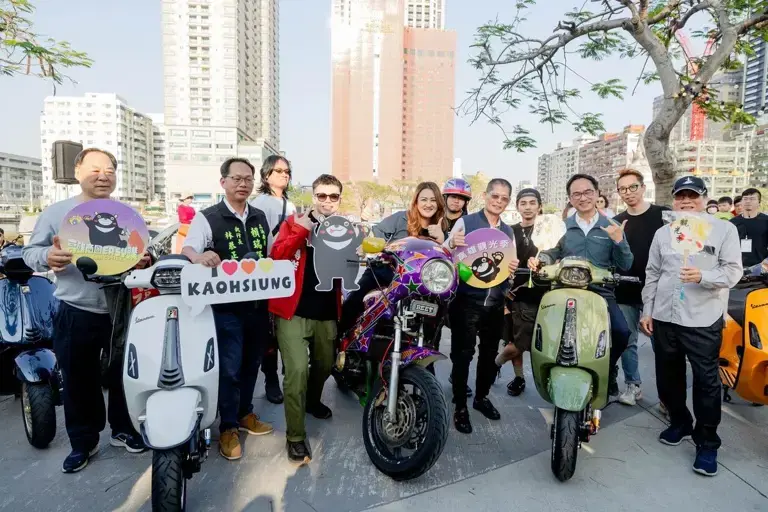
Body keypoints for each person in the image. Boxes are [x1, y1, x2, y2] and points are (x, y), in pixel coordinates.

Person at [22, 148, 148, 473]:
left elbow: (140, 254)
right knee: (78, 376)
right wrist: (47, 257)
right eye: (94, 169)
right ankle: (84, 440)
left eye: (109, 170)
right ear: (77, 172)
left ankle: (124, 429)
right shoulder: (57, 213)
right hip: (75, 307)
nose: (103, 175)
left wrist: (143, 260)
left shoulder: (127, 215)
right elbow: (30, 252)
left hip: (120, 307)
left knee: (124, 372)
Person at [640, 176, 742, 477]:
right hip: (664, 317)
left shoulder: (724, 229)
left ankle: (707, 442)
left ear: (704, 198)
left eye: (693, 197)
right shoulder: (663, 233)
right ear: (674, 201)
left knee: (706, 381)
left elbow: (733, 270)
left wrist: (703, 277)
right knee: (667, 377)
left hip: (702, 317)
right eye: (680, 197)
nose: (686, 202)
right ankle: (680, 421)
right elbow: (653, 273)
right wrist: (648, 309)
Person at [181, 157, 274, 461]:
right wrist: (200, 256)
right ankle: (228, 426)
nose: (243, 184)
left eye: (248, 179)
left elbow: (270, 253)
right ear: (223, 182)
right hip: (225, 308)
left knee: (252, 363)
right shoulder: (208, 217)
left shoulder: (260, 216)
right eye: (236, 178)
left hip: (258, 305)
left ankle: (246, 414)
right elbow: (189, 248)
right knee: (230, 368)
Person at [529, 174, 633, 398]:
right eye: (576, 194)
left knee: (621, 332)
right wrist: (542, 261)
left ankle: (608, 367)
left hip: (601, 292)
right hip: (564, 289)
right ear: (570, 198)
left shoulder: (611, 227)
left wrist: (619, 241)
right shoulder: (562, 227)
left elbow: (626, 264)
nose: (582, 197)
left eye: (587, 192)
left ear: (596, 193)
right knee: (546, 330)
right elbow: (549, 252)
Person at [270, 174, 344, 465]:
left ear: (339, 199)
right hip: (293, 311)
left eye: (333, 196)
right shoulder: (294, 222)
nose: (327, 201)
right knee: (297, 371)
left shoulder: (344, 228)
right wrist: (302, 230)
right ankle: (296, 437)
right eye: (322, 195)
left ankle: (313, 401)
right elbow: (278, 255)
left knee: (325, 365)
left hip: (327, 312)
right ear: (314, 196)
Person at [444, 179, 519, 434]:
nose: (498, 201)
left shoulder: (508, 231)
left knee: (488, 355)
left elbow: (509, 268)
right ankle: (460, 406)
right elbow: (448, 252)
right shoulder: (467, 222)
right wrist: (451, 244)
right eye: (494, 196)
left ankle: (481, 397)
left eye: (504, 198)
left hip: (496, 303)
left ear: (508, 202)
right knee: (462, 355)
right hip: (467, 301)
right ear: (485, 196)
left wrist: (511, 272)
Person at [338, 182, 447, 338]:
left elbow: (446, 257)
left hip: (419, 283)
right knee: (354, 300)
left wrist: (441, 238)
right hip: (384, 272)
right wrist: (366, 245)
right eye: (424, 199)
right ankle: (339, 344)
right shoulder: (401, 218)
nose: (428, 204)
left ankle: (426, 356)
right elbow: (376, 234)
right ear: (416, 201)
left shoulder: (441, 225)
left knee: (435, 316)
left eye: (433, 200)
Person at [612, 169, 669, 408]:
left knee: (662, 345)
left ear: (643, 187)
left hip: (657, 292)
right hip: (625, 289)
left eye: (632, 187)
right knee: (627, 341)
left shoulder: (663, 215)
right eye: (623, 189)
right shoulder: (617, 221)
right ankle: (632, 385)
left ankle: (668, 398)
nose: (628, 193)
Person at [250, 155, 297, 405]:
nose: (284, 174)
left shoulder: (289, 204)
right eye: (278, 170)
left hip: (286, 272)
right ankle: (270, 378)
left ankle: (287, 372)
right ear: (266, 174)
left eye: (287, 171)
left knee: (284, 326)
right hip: (268, 272)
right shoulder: (261, 203)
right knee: (268, 331)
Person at [495, 188, 545, 396]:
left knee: (522, 341)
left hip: (542, 292)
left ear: (539, 206)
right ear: (517, 206)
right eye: (523, 203)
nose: (528, 207)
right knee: (515, 339)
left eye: (532, 203)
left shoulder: (548, 230)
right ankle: (519, 378)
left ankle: (494, 364)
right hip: (513, 292)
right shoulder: (509, 230)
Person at [441, 178, 473, 396]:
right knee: (428, 334)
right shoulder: (433, 220)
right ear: (445, 198)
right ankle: (427, 376)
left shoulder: (471, 224)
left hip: (461, 286)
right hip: (433, 285)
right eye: (453, 196)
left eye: (461, 199)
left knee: (463, 339)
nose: (456, 202)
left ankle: (458, 375)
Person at [730, 188, 768, 269]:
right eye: (745, 199)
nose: (748, 201)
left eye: (752, 199)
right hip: (737, 268)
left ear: (759, 203)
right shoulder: (732, 223)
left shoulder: (766, 221)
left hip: (761, 267)